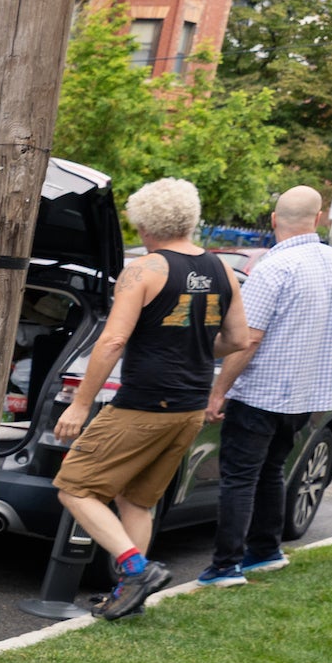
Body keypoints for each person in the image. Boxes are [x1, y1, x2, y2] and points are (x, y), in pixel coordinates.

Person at [49, 177, 243, 621]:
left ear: (143, 223)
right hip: (190, 407)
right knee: (137, 501)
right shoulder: (223, 268)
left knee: (74, 486)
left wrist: (81, 404)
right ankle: (130, 596)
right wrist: (191, 344)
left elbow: (113, 341)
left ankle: (136, 570)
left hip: (143, 404)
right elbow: (236, 339)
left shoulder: (143, 270)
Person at [202, 185, 332, 586]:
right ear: (319, 218)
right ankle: (265, 550)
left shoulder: (273, 268)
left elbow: (248, 338)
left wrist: (219, 390)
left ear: (273, 221)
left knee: (239, 477)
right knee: (273, 468)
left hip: (260, 393)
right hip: (308, 395)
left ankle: (225, 565)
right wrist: (328, 380)